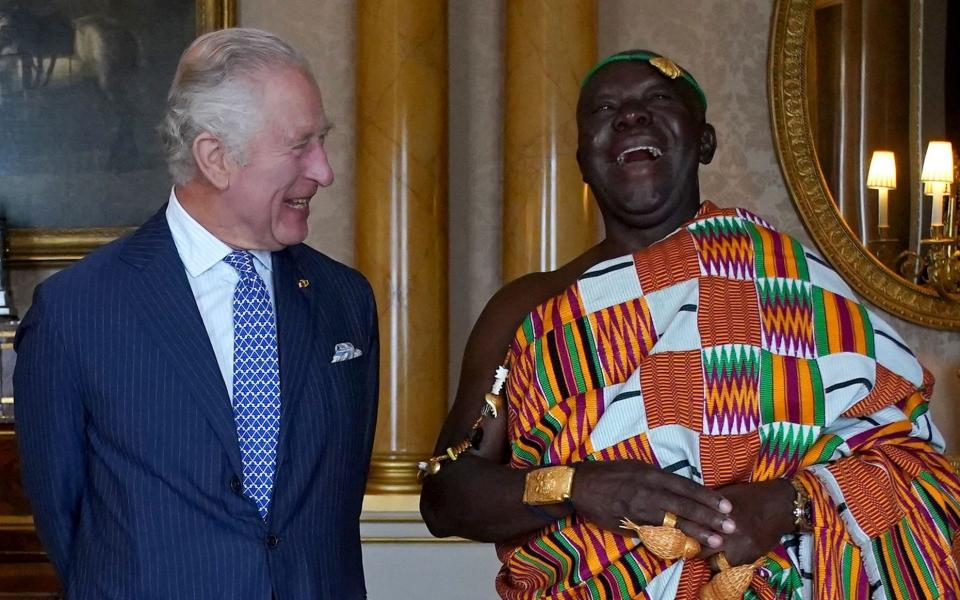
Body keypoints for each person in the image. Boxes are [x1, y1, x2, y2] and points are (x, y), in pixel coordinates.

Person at [420, 49, 960, 599]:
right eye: (605, 109)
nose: (630, 115)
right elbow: (445, 495)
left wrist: (783, 505)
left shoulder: (793, 282)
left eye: (656, 100)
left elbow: (913, 462)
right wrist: (577, 486)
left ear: (704, 141)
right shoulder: (528, 306)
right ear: (583, 161)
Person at [14, 28, 379, 599]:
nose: (325, 171)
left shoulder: (344, 299)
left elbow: (338, 494)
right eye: (300, 145)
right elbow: (64, 518)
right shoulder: (76, 311)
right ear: (216, 157)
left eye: (322, 142)